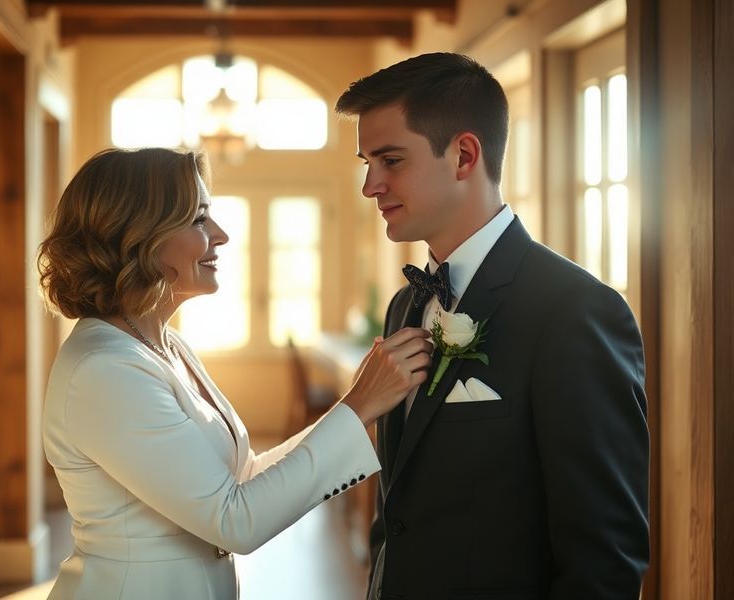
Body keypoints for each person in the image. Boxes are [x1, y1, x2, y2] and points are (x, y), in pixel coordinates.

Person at [38, 147, 432, 600]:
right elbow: (234, 520)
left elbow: (242, 477)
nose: (221, 236)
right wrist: (358, 404)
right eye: (199, 219)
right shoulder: (102, 372)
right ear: (139, 235)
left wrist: (358, 408)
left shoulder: (165, 345)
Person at [335, 52, 649, 599]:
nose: (370, 186)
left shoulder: (575, 311)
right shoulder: (404, 305)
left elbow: (605, 561)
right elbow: (398, 510)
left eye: (390, 160)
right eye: (366, 163)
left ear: (463, 155)